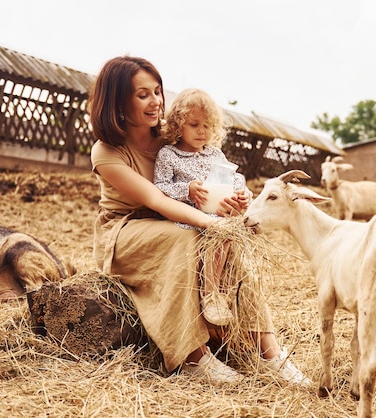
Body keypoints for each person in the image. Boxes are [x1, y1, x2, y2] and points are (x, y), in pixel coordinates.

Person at [88, 55, 310, 386]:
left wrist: (230, 202)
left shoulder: (174, 136)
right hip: (127, 229)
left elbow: (212, 176)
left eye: (158, 91)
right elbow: (156, 199)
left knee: (226, 243)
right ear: (118, 101)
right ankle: (192, 357)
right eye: (142, 94)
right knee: (187, 238)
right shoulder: (107, 151)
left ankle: (269, 352)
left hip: (181, 217)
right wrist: (210, 223)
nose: (155, 102)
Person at [153, 88, 251, 327]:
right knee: (218, 235)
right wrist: (187, 189)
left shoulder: (215, 154)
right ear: (178, 125)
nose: (201, 131)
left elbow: (234, 178)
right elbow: (160, 187)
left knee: (231, 234)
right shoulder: (169, 155)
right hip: (189, 216)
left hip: (217, 212)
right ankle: (210, 294)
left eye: (207, 126)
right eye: (194, 124)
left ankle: (226, 291)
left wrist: (243, 194)